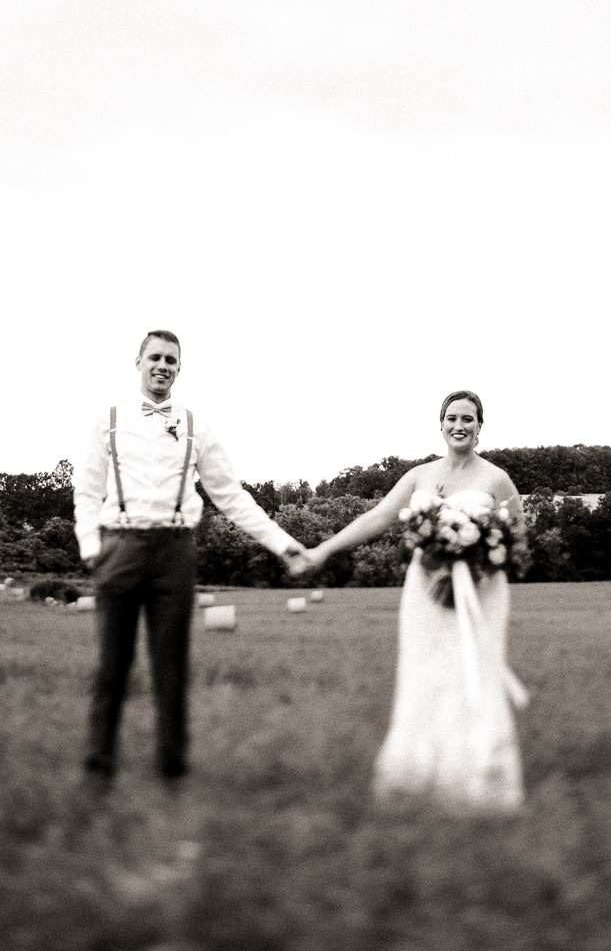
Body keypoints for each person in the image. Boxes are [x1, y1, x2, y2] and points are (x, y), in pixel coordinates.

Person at [73, 329, 306, 792]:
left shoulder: (198, 425)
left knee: (171, 667)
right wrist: (90, 546)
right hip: (118, 546)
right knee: (112, 667)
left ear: (180, 369)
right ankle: (98, 771)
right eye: (155, 357)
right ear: (137, 362)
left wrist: (282, 542)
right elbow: (86, 488)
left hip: (175, 552)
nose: (163, 366)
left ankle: (172, 772)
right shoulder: (108, 419)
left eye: (171, 361)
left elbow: (231, 497)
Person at [292, 390, 528, 812]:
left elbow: (519, 537)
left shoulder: (496, 479)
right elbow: (378, 517)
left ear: (480, 427)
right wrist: (323, 550)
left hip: (480, 593)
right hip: (425, 592)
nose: (460, 425)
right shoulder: (419, 476)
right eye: (452, 418)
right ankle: (419, 773)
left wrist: (482, 562)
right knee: (425, 673)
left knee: (472, 673)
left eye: (468, 419)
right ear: (440, 425)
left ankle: (479, 772)